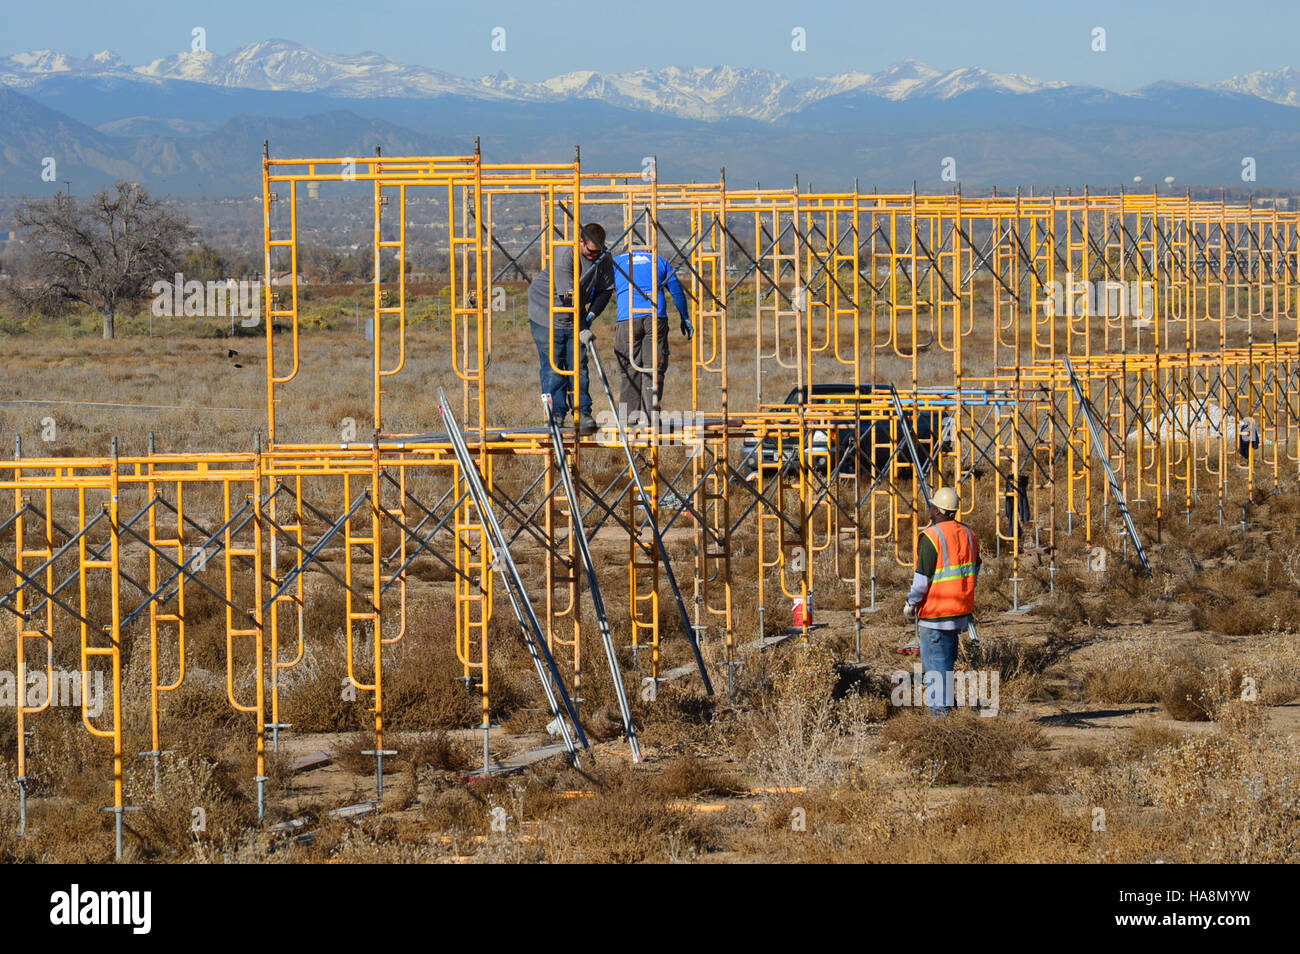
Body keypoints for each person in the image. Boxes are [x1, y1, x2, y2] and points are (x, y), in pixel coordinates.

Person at [528, 224, 615, 434]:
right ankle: (556, 415)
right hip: (547, 312)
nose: (594, 255)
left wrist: (590, 316)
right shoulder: (564, 253)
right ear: (580, 241)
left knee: (579, 365)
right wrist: (582, 325)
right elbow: (566, 297)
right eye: (590, 251)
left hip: (574, 314)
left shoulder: (603, 258)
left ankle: (582, 413)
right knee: (554, 367)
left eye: (598, 251)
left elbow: (605, 291)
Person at [903, 487, 981, 716]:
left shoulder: (932, 536)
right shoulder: (968, 534)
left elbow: (921, 581)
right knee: (945, 666)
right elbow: (974, 569)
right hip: (959, 614)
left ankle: (941, 719)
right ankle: (949, 710)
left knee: (935, 669)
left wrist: (911, 603)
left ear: (937, 509)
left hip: (935, 615)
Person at [610, 247, 693, 425]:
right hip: (655, 316)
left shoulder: (617, 262)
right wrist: (684, 316)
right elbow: (676, 290)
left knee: (629, 369)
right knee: (654, 368)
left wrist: (587, 316)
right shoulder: (659, 260)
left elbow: (601, 289)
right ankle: (652, 417)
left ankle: (628, 419)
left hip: (627, 318)